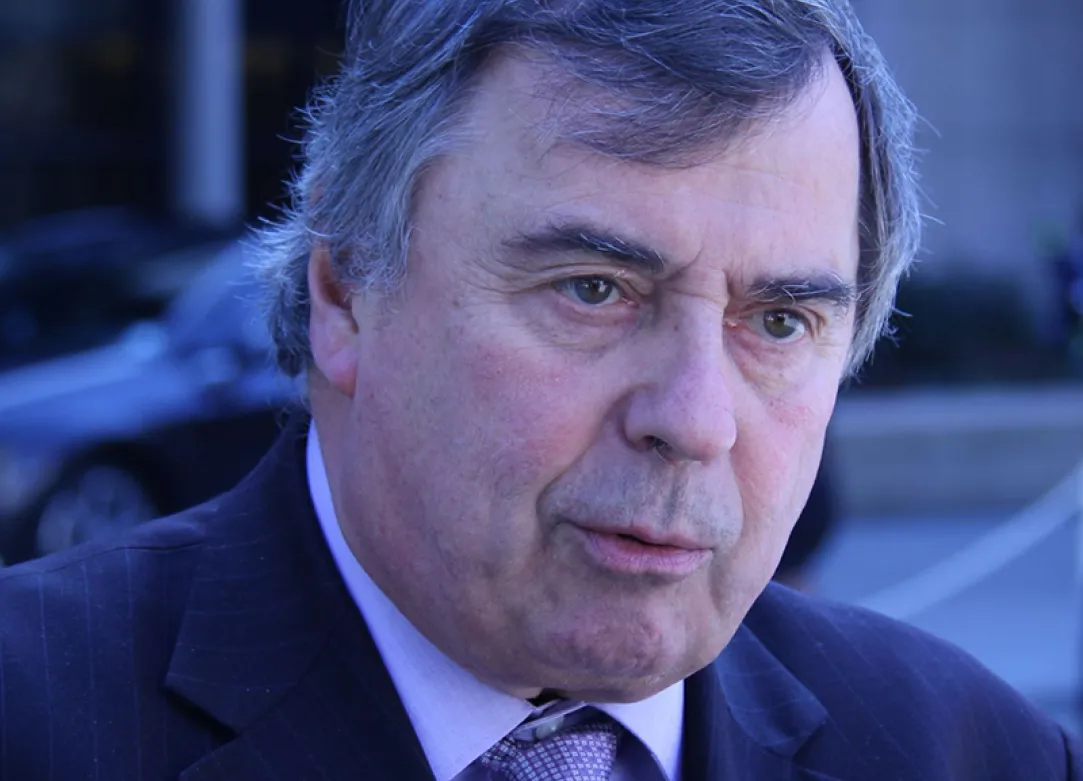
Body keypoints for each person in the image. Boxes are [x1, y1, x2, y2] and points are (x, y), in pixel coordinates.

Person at [1, 1, 1079, 779]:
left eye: (779, 320)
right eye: (594, 289)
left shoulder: (978, 752)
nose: (694, 419)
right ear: (345, 289)